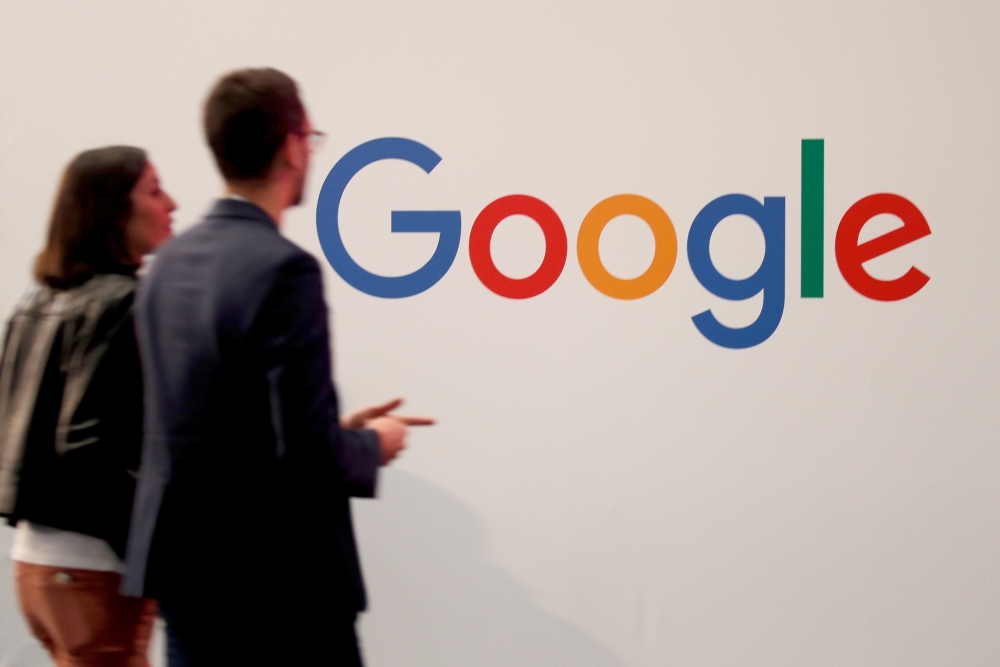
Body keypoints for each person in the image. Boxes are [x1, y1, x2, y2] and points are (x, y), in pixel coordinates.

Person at [121, 68, 433, 666]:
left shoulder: (166, 264)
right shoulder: (284, 269)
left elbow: (214, 426)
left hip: (188, 575)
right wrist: (371, 445)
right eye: (311, 138)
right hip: (280, 587)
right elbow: (304, 454)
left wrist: (337, 433)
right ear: (292, 146)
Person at [0, 146, 176, 667]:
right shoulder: (125, 301)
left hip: (34, 565)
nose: (172, 203)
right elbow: (88, 447)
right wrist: (152, 556)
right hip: (92, 570)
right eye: (153, 189)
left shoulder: (33, 303)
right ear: (113, 209)